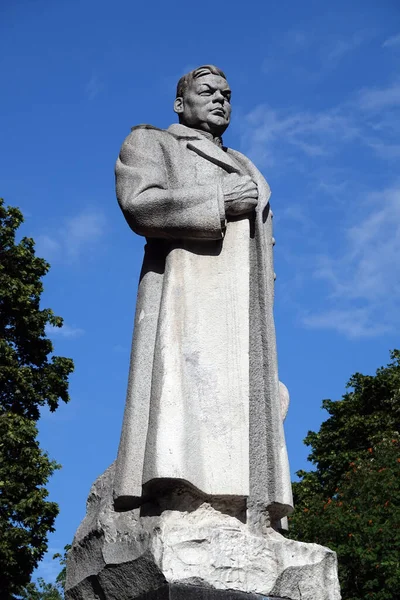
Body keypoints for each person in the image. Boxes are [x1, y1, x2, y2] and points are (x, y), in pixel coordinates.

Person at [113, 65, 293, 529]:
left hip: (242, 306)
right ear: (180, 103)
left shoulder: (248, 162)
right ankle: (182, 494)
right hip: (188, 291)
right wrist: (217, 201)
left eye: (227, 94)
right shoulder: (152, 142)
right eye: (207, 91)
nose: (220, 100)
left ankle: (243, 509)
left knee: (243, 396)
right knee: (184, 387)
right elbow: (139, 203)